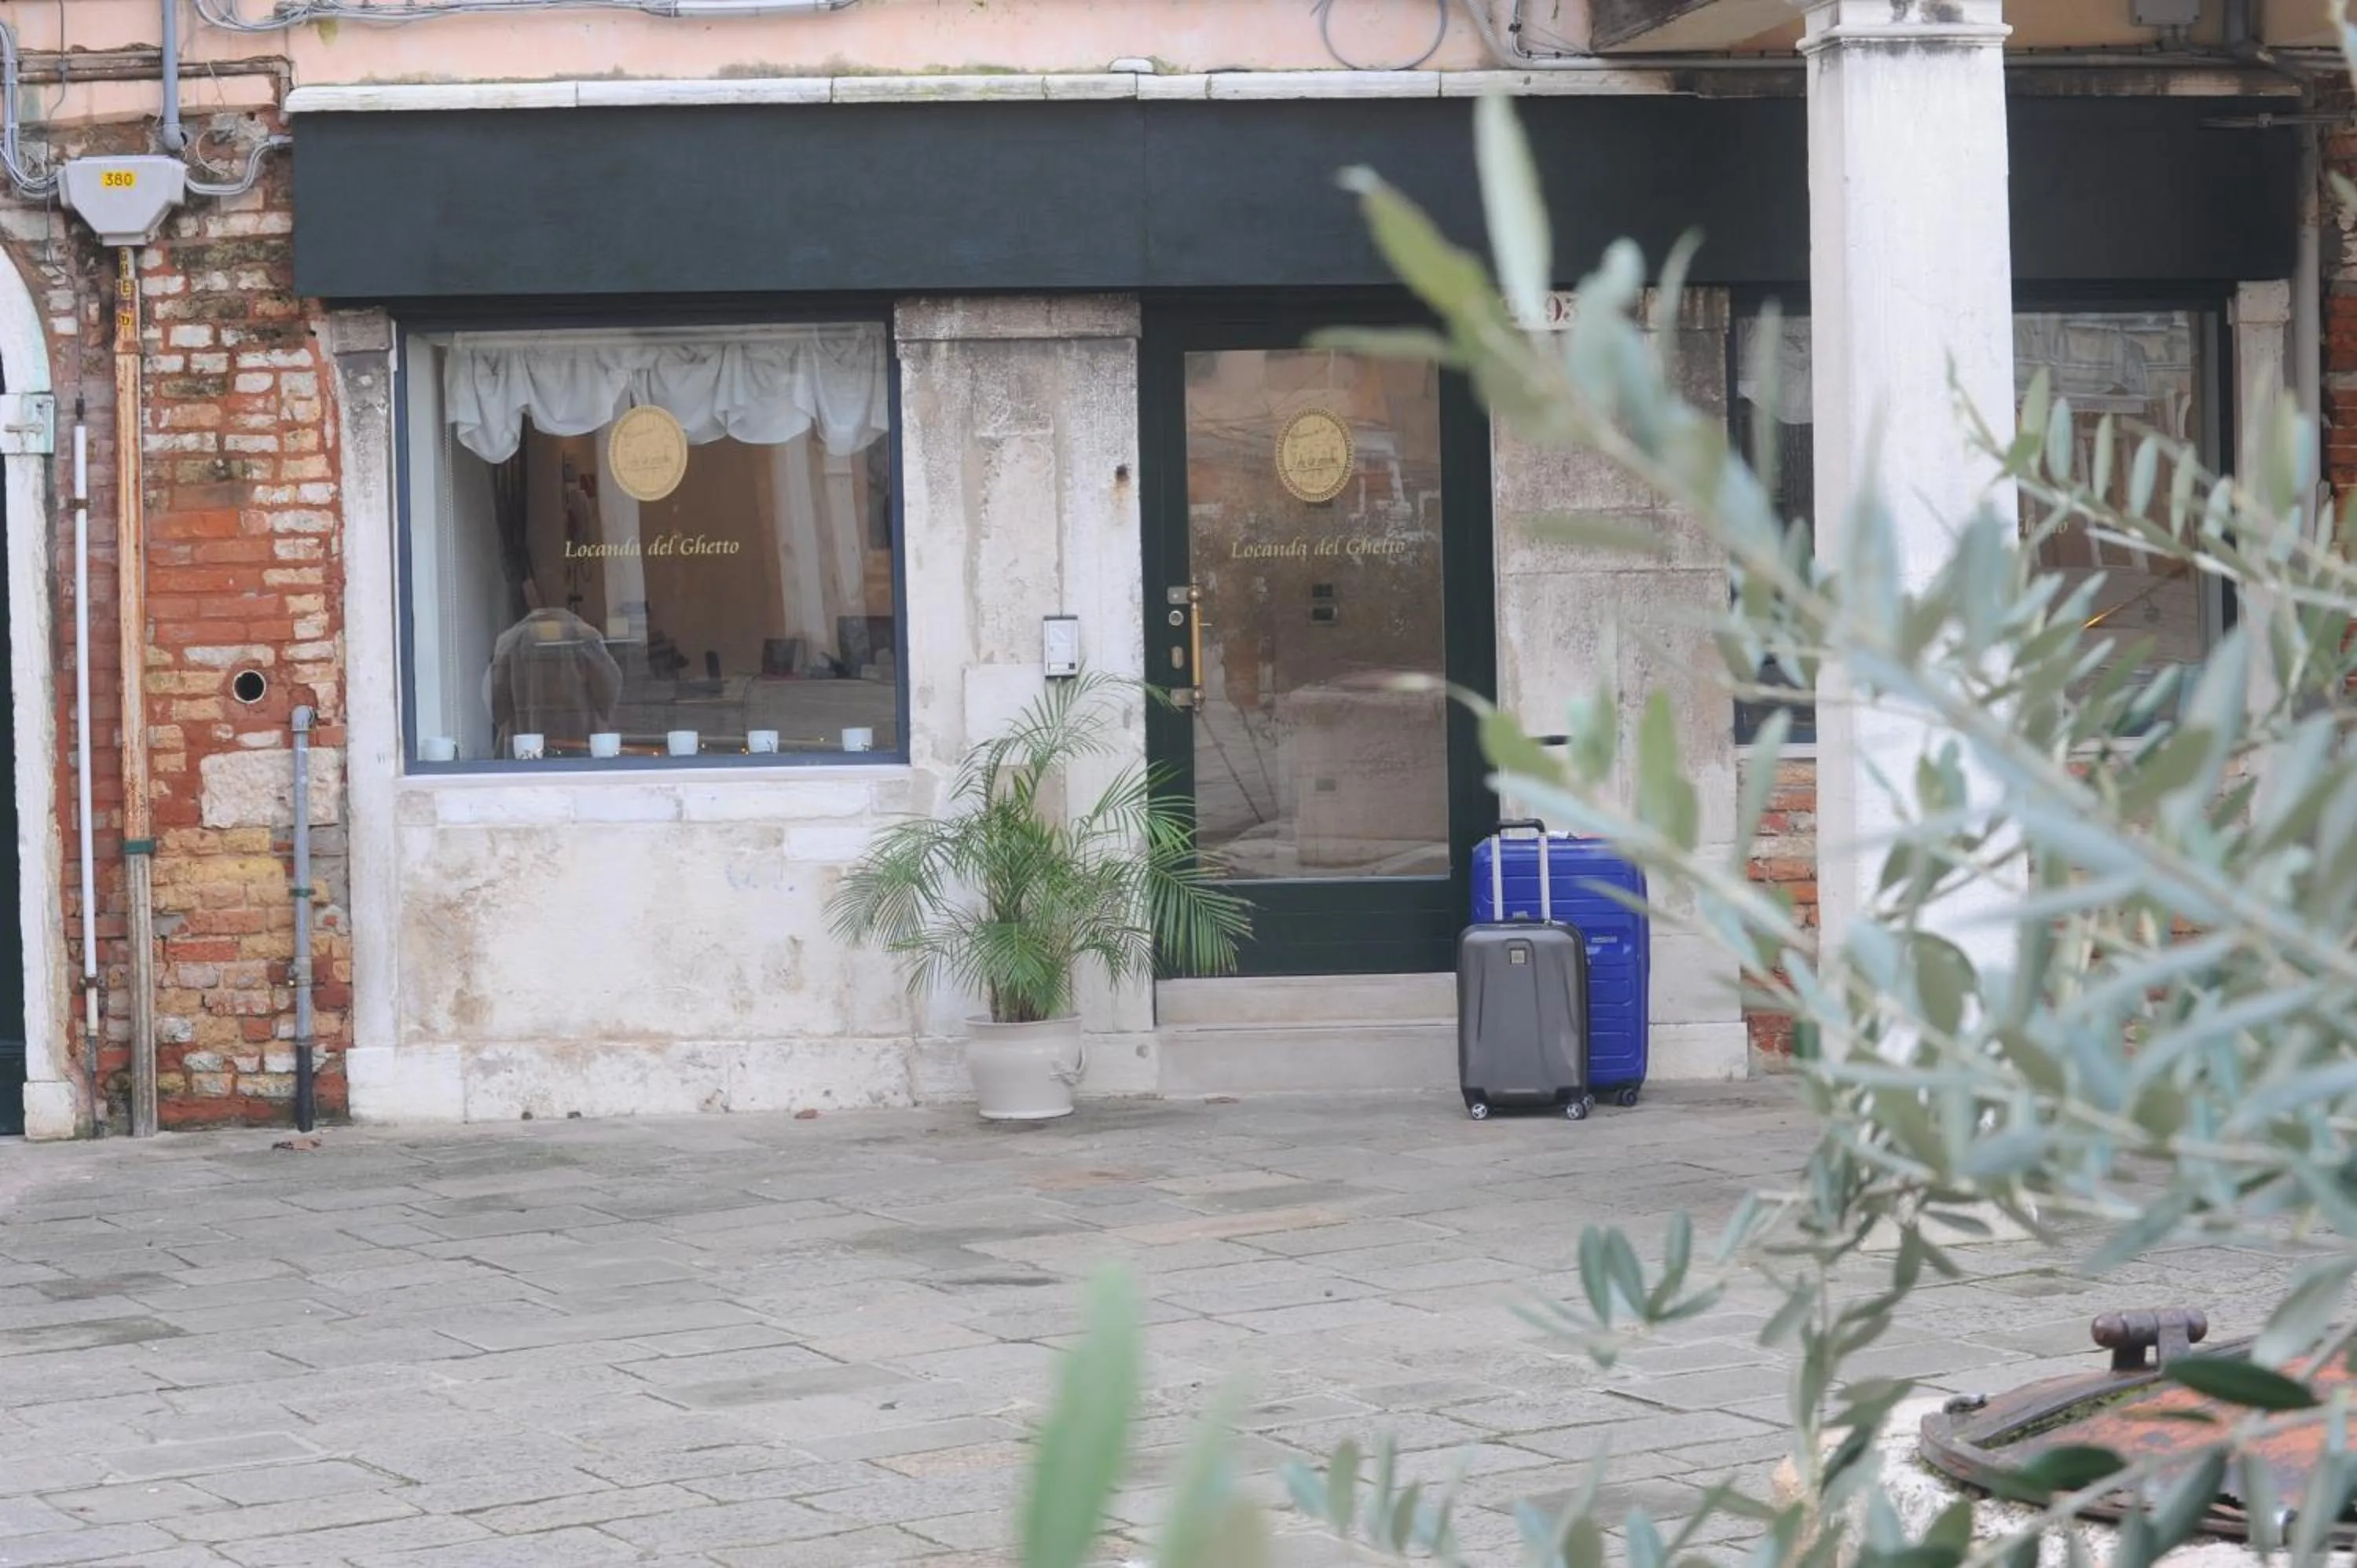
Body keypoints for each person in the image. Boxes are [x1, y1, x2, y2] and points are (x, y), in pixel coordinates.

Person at [483, 584, 624, 755]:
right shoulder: (586, 639)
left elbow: (496, 707)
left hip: (523, 760)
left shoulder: (509, 642)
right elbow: (609, 696)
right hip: (579, 754)